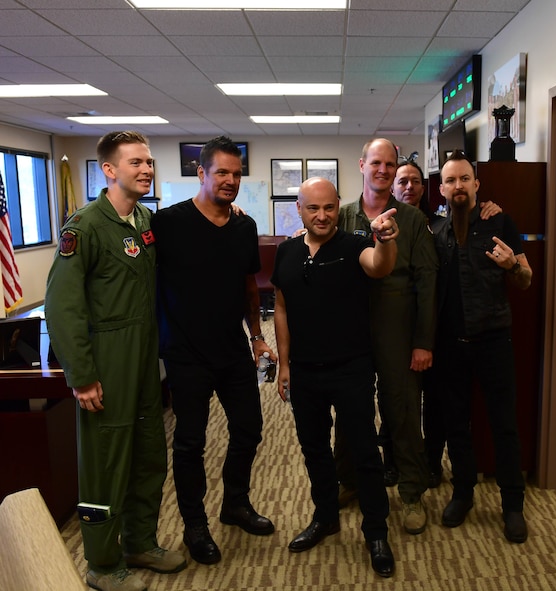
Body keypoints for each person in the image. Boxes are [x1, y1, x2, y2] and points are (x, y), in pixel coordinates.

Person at [45, 131, 186, 591]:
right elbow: (62, 307)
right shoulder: (84, 226)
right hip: (106, 362)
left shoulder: (145, 219)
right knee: (103, 468)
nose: (146, 169)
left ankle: (140, 542)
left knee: (148, 455)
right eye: (135, 163)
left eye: (149, 162)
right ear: (109, 170)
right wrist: (81, 376)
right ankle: (102, 564)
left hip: (145, 360)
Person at [153, 136, 276, 566]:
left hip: (232, 351)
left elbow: (247, 285)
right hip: (185, 353)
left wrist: (257, 336)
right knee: (190, 443)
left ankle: (235, 504)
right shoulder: (167, 223)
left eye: (236, 174)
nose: (230, 181)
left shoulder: (244, 226)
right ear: (201, 173)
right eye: (221, 172)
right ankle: (194, 525)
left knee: (249, 429)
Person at [271, 177, 398, 577]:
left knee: (363, 453)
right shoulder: (288, 251)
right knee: (314, 451)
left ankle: (376, 532)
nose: (322, 215)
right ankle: (325, 517)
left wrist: (386, 239)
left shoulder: (355, 245)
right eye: (313, 208)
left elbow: (379, 267)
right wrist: (285, 365)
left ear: (337, 206)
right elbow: (281, 309)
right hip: (305, 372)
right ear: (300, 208)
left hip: (351, 369)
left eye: (329, 207)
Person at [334, 139, 437, 535]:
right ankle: (350, 481)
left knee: (404, 411)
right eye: (375, 162)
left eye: (389, 164)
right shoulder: (342, 216)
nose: (382, 170)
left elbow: (427, 283)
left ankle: (412, 493)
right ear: (361, 164)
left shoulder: (412, 220)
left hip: (398, 325)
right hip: (352, 328)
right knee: (349, 410)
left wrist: (423, 341)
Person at [431, 150, 532, 544]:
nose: (458, 186)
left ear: (476, 184)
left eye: (464, 179)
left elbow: (526, 279)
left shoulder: (499, 221)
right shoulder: (435, 232)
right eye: (450, 180)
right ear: (442, 189)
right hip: (450, 346)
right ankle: (463, 493)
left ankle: (512, 506)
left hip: (493, 342)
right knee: (457, 425)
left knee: (504, 425)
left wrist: (512, 266)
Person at [392, 159, 504, 489]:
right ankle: (394, 462)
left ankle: (431, 461)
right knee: (397, 397)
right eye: (402, 181)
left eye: (414, 181)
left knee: (438, 403)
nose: (408, 187)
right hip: (396, 324)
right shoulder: (378, 220)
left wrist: (489, 208)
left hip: (438, 327)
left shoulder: (440, 225)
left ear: (427, 188)